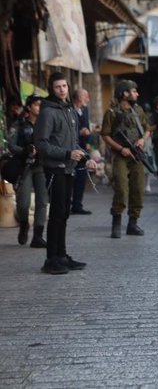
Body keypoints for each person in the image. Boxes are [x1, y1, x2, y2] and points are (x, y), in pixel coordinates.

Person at [34, 72, 94, 274]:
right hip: (55, 169)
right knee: (57, 215)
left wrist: (86, 157)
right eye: (58, 86)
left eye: (64, 86)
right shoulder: (47, 112)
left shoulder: (69, 110)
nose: (62, 89)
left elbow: (73, 142)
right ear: (52, 88)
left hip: (68, 169)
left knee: (64, 213)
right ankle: (51, 259)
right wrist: (67, 153)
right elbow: (41, 144)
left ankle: (61, 255)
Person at [101, 80, 150, 239]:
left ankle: (132, 224)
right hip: (120, 155)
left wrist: (142, 140)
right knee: (121, 189)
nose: (137, 94)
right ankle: (116, 224)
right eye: (134, 91)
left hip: (136, 155)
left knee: (138, 188)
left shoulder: (138, 110)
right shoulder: (112, 112)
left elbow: (147, 130)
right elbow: (105, 135)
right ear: (124, 93)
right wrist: (121, 148)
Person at [9, 94, 47, 248]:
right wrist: (24, 150)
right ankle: (24, 224)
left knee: (42, 201)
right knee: (23, 203)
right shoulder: (19, 124)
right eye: (37, 104)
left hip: (42, 165)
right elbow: (11, 145)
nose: (39, 107)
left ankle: (38, 235)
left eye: (41, 105)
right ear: (29, 107)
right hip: (24, 166)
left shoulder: (46, 124)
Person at [71, 89, 92, 214]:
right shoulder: (70, 110)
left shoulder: (85, 109)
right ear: (78, 97)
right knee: (72, 178)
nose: (88, 98)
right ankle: (67, 204)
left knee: (81, 177)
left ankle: (77, 205)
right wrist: (79, 133)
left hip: (83, 147)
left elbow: (86, 125)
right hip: (72, 147)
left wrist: (88, 139)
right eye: (86, 96)